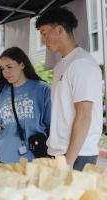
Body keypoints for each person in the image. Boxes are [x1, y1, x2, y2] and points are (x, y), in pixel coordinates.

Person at [35, 7, 103, 170]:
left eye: (44, 33)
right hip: (59, 151)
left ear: (59, 29)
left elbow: (84, 115)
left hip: (77, 154)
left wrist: (68, 161)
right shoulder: (61, 65)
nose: (43, 40)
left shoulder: (81, 63)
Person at [0, 47, 51, 163]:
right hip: (4, 157)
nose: (6, 72)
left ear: (22, 64)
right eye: (2, 68)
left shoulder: (42, 89)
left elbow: (51, 124)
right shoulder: (0, 94)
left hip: (34, 158)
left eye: (9, 67)